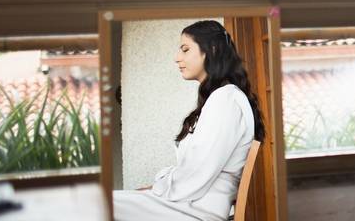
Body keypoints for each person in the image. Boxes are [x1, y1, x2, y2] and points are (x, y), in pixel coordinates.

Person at [113, 21, 267, 221]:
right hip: (191, 203)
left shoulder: (226, 99)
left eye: (185, 50)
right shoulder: (221, 98)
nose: (177, 58)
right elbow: (196, 170)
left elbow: (196, 173)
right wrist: (156, 188)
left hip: (195, 209)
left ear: (211, 50)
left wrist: (159, 186)